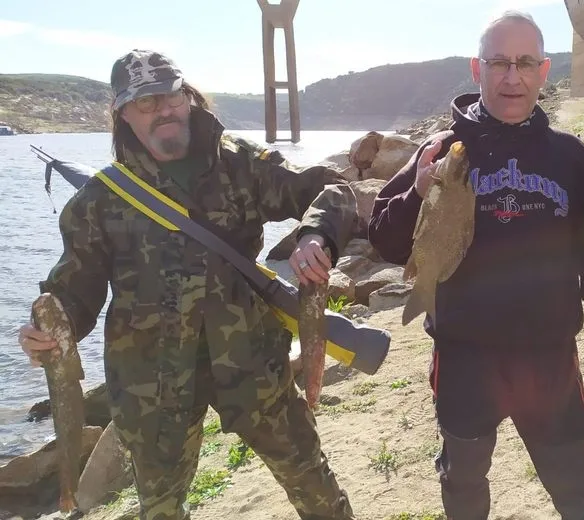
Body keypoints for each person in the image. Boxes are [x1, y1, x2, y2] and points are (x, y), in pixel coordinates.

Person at [17, 49, 357, 520]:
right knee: (161, 510)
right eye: (146, 102)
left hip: (252, 363)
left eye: (171, 96)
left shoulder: (239, 163)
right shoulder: (98, 201)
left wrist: (315, 235)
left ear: (188, 95)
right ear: (122, 112)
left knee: (312, 482)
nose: (163, 110)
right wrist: (49, 331)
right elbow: (74, 292)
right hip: (151, 386)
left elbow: (332, 187)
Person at [368, 10, 584, 520]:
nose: (513, 77)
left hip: (549, 358)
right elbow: (385, 239)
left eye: (526, 63)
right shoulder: (441, 151)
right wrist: (416, 194)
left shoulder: (570, 156)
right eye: (499, 63)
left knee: (578, 484)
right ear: (477, 68)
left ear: (544, 70)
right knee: (463, 481)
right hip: (464, 358)